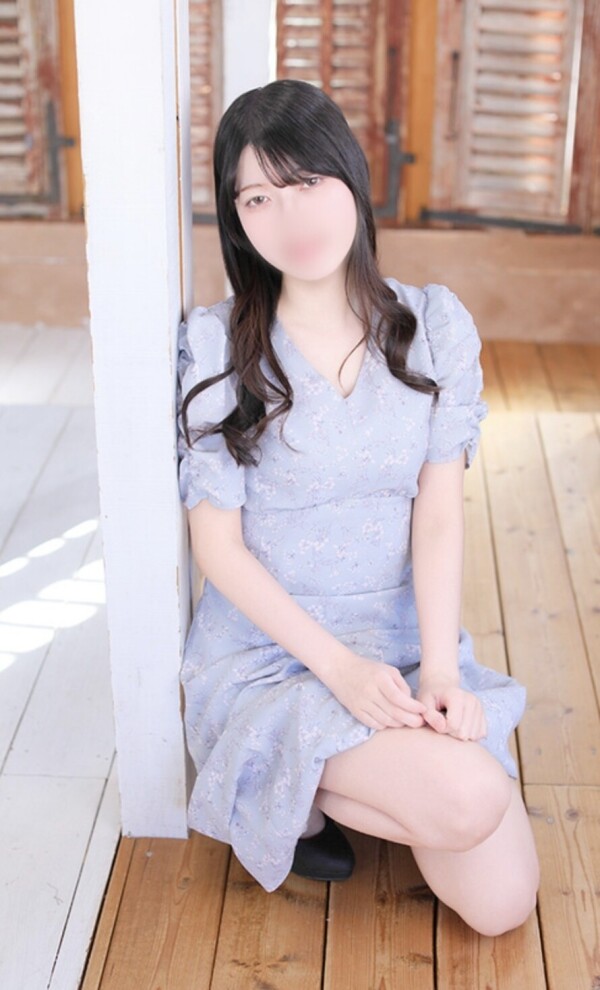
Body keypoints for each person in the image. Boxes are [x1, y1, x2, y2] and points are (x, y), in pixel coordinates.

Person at [176, 78, 539, 937]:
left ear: (350, 176)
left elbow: (438, 514)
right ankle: (296, 782)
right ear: (236, 218)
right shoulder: (220, 344)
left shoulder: (433, 325)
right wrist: (338, 670)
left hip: (403, 644)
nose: (290, 217)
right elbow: (218, 550)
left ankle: (302, 791)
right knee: (468, 797)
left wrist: (440, 673)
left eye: (307, 183)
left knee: (502, 906)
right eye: (258, 198)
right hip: (275, 654)